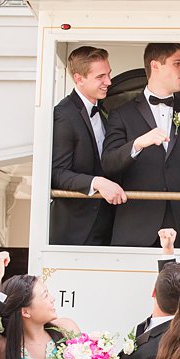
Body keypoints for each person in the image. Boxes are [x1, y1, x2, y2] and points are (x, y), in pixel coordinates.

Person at [101, 44, 180, 247]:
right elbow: (108, 163)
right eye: (177, 63)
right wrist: (137, 144)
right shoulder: (122, 114)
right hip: (136, 225)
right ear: (156, 66)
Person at [52, 45, 126, 245]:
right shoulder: (64, 114)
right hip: (75, 229)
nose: (108, 82)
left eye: (108, 74)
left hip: (106, 223)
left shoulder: (103, 111)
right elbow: (57, 173)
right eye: (100, 76)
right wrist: (98, 183)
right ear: (79, 78)